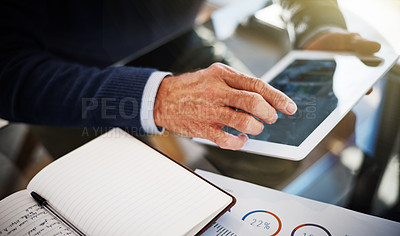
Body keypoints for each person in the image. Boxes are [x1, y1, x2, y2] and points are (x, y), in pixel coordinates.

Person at [0, 0, 380, 152]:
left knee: (268, 148)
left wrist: (316, 26)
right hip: (63, 66)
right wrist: (159, 99)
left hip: (171, 31)